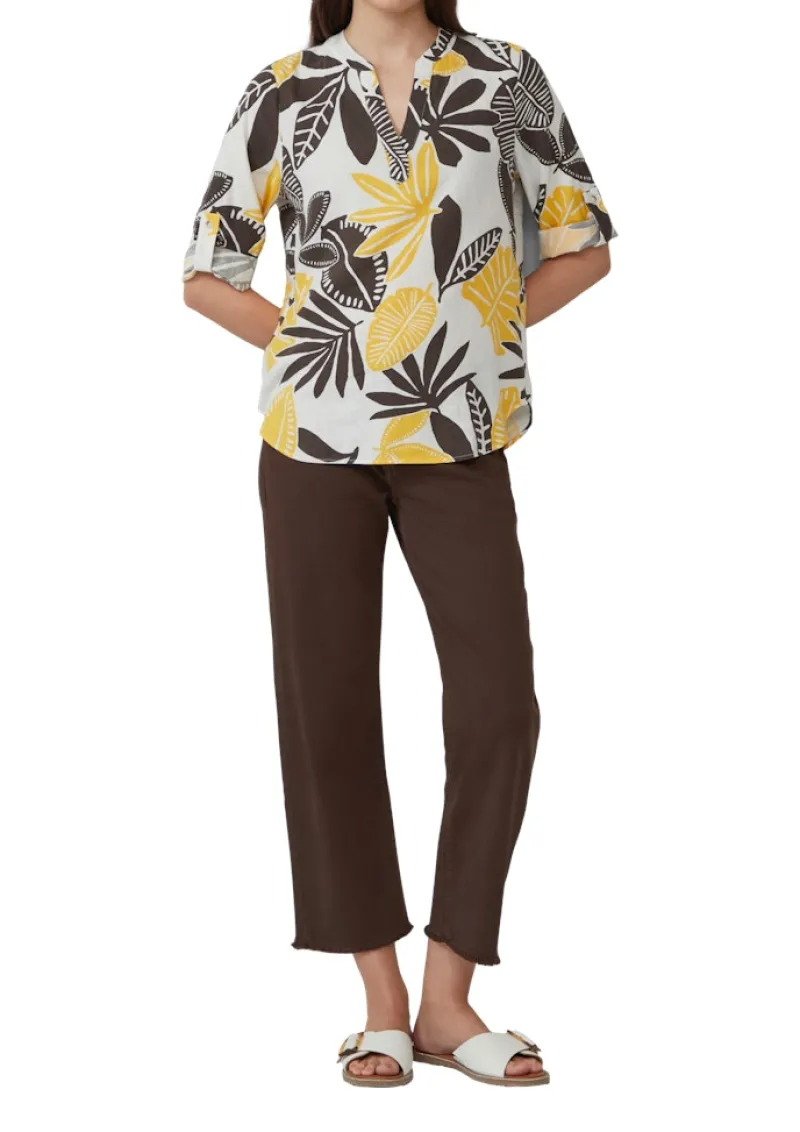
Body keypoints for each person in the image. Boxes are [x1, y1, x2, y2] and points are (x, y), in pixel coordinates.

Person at [183, 0, 615, 1089]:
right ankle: (380, 1003)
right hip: (311, 443)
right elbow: (208, 270)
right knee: (326, 707)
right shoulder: (283, 88)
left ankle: (448, 997)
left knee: (498, 703)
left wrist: (472, 330)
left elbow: (582, 246)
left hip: (458, 434)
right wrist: (311, 342)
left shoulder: (504, 75)